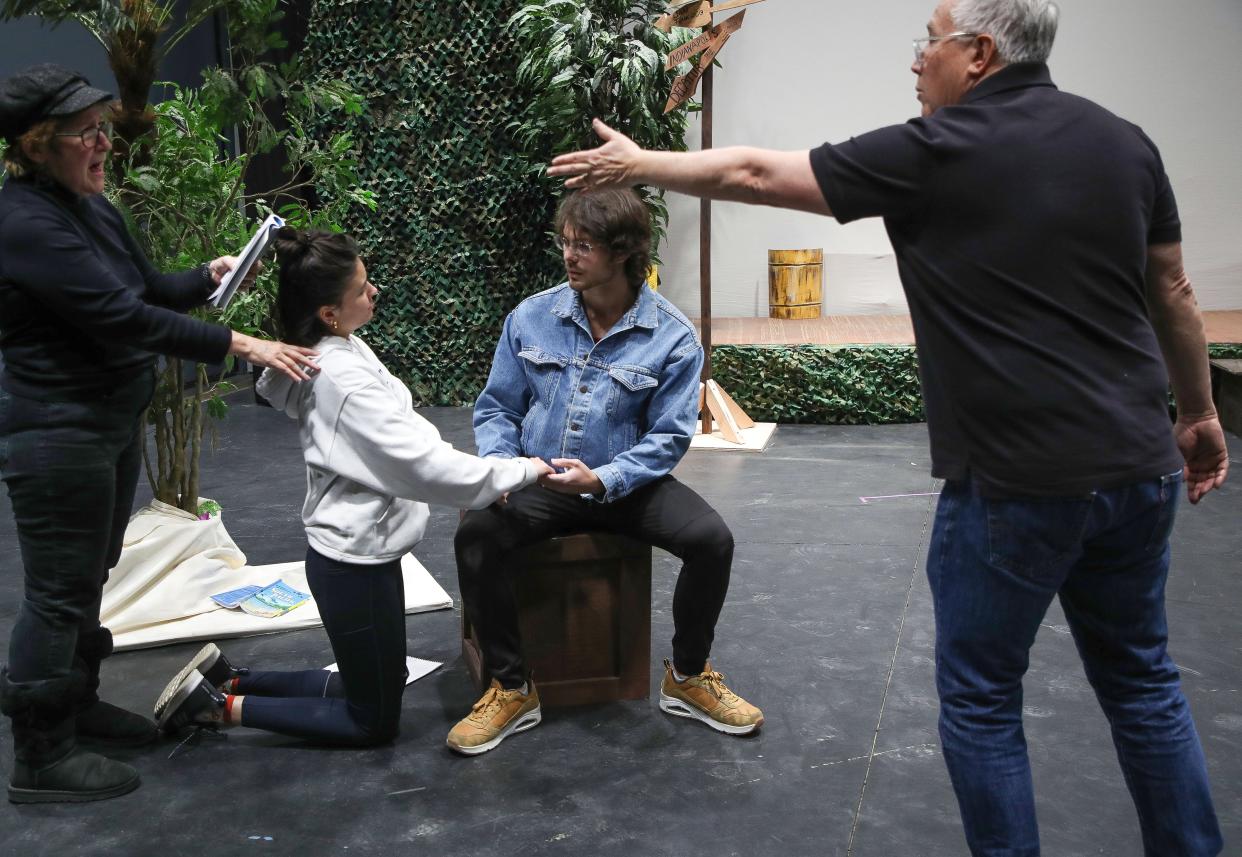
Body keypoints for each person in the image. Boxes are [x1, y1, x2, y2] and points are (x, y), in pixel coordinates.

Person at [547, 2, 1228, 854]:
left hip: (1015, 488)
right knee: (1144, 684)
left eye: (928, 43)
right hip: (1139, 470)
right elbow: (1174, 291)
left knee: (982, 700)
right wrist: (1197, 414)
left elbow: (758, 176)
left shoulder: (936, 152)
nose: (915, 62)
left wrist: (640, 161)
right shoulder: (1126, 143)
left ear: (978, 55)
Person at [0, 64, 318, 804]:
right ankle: (40, 754)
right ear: (40, 144)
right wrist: (239, 342)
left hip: (103, 423)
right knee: (56, 592)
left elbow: (140, 289)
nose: (103, 141)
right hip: (55, 433)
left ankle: (75, 707)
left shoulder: (89, 205)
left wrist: (207, 277)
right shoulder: (23, 222)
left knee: (88, 575)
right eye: (86, 132)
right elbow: (121, 319)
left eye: (102, 126)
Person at [154, 228, 552, 748]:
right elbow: (427, 466)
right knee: (372, 721)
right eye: (362, 288)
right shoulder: (342, 379)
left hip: (363, 552)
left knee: (373, 685)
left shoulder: (333, 347)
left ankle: (232, 679)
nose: (374, 292)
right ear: (328, 313)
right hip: (352, 564)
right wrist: (524, 470)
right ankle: (218, 708)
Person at [447, 187, 763, 756]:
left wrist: (603, 479)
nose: (569, 256)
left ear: (623, 253)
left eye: (584, 246)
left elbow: (668, 437)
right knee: (476, 535)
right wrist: (500, 469)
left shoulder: (670, 335)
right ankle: (511, 687)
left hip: (625, 482)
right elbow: (497, 408)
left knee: (712, 539)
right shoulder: (531, 317)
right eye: (566, 243)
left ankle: (688, 677)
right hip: (539, 478)